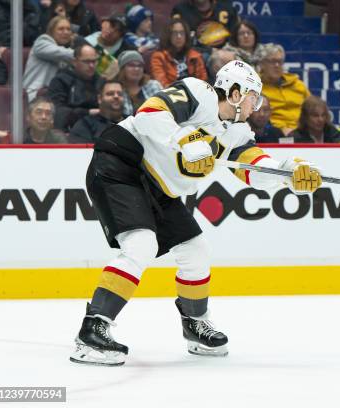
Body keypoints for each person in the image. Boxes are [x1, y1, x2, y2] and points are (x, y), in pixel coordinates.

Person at [70, 60, 322, 366]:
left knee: (196, 250)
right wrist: (185, 140)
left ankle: (195, 324)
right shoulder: (198, 92)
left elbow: (252, 169)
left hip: (159, 188)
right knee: (141, 244)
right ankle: (91, 331)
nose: (256, 105)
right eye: (254, 96)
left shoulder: (237, 131)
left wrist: (287, 174)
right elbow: (149, 113)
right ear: (235, 92)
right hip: (120, 164)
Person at [255, 43, 310, 135]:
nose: (277, 65)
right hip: (271, 133)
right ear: (262, 64)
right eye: (272, 61)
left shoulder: (297, 84)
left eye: (280, 61)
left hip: (302, 132)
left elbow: (312, 108)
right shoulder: (255, 86)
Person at [48, 43, 103, 131]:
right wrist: (87, 113)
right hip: (70, 129)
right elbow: (57, 111)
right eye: (86, 61)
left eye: (94, 61)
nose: (91, 66)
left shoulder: (101, 81)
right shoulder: (60, 81)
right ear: (74, 62)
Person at [23, 15, 75, 101]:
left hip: (53, 96)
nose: (66, 32)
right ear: (51, 31)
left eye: (68, 29)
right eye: (61, 29)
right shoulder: (42, 42)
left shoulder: (65, 50)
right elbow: (62, 53)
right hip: (33, 95)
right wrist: (83, 52)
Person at [150, 18, 208, 88]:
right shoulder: (159, 57)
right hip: (171, 94)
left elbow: (203, 80)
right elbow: (161, 83)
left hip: (194, 93)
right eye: (175, 33)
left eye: (182, 33)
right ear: (168, 35)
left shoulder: (195, 55)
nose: (179, 36)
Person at [85, 13, 135, 79]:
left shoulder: (127, 51)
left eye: (118, 30)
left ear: (121, 36)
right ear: (104, 23)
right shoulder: (87, 41)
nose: (111, 31)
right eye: (112, 25)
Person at [117, 51, 162, 117]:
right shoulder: (117, 90)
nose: (136, 69)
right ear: (123, 69)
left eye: (140, 66)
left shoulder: (153, 85)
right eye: (131, 65)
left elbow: (163, 109)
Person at [172, 0, 238, 44]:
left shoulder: (227, 8)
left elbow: (236, 36)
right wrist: (195, 36)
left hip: (225, 51)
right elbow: (174, 37)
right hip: (193, 51)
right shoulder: (180, 10)